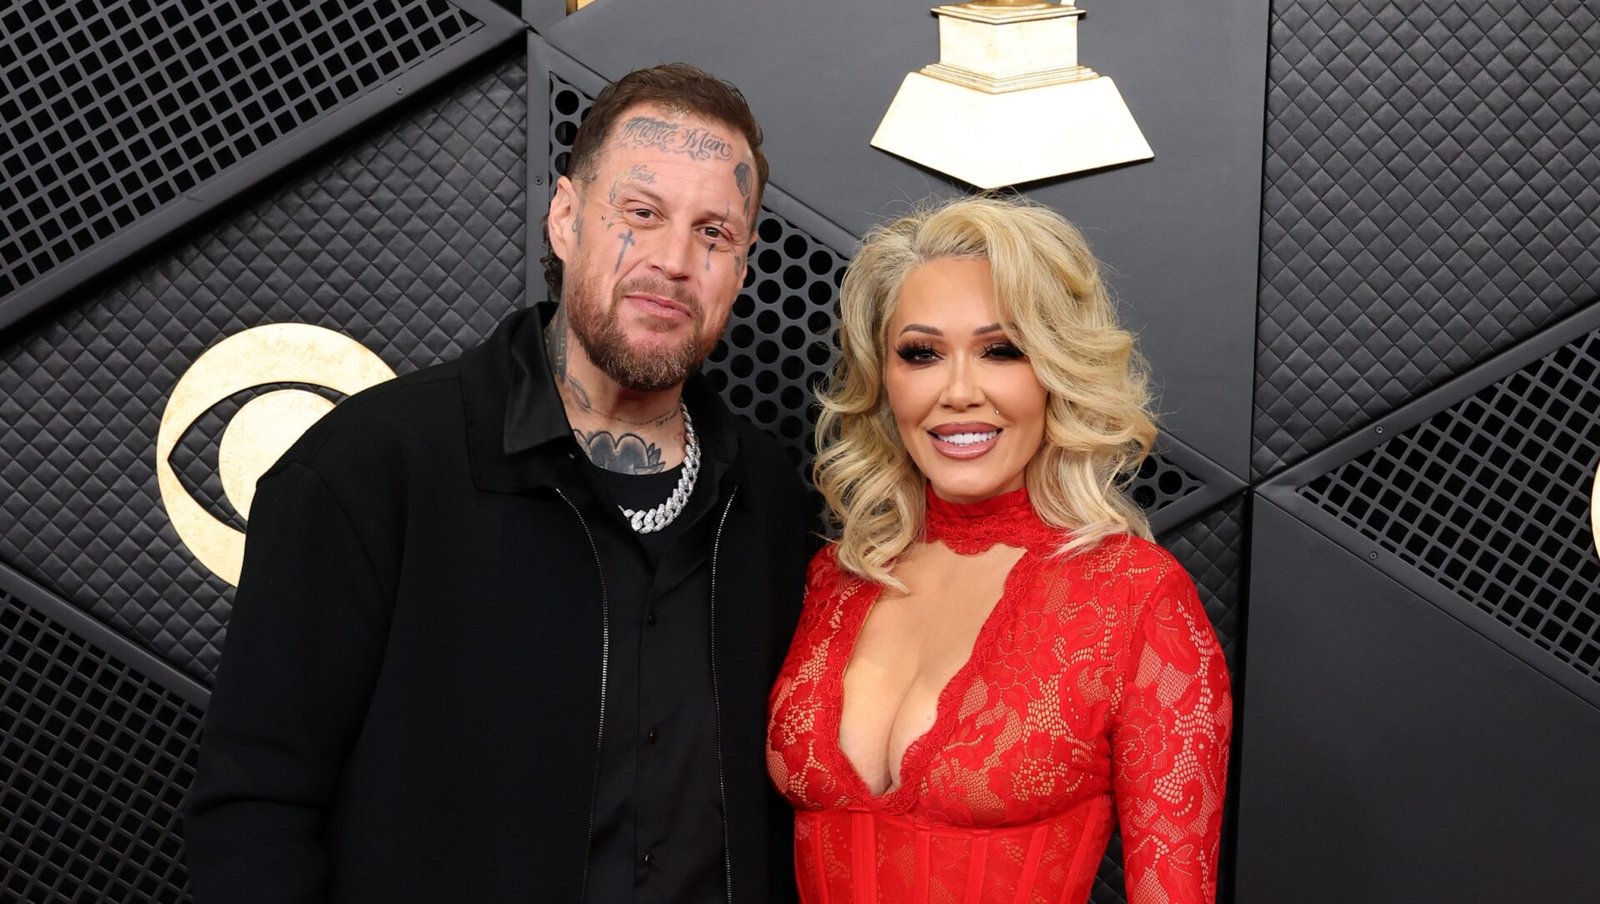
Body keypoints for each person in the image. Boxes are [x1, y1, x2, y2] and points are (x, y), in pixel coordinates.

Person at [187, 64, 811, 904]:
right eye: (641, 213)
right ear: (565, 217)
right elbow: (254, 812)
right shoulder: (370, 467)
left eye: (713, 233)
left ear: (742, 265)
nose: (673, 260)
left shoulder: (767, 497)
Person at [766, 195, 1232, 903]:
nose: (959, 391)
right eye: (921, 353)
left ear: (1055, 370)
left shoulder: (1135, 597)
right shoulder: (835, 579)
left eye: (1001, 350)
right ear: (885, 378)